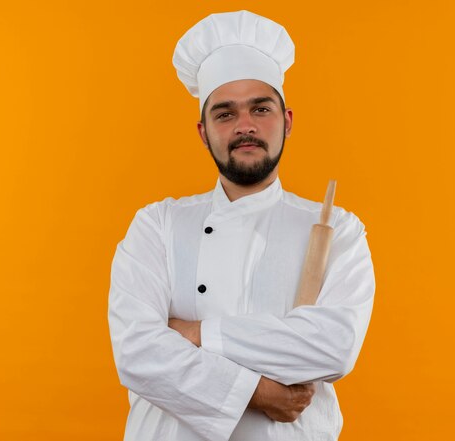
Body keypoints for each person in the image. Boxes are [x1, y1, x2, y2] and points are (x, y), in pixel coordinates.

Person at [108, 10, 375, 441]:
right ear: (203, 131)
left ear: (286, 121)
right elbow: (138, 353)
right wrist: (255, 390)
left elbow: (334, 347)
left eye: (261, 109)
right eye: (225, 114)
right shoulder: (156, 225)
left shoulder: (338, 229)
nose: (245, 126)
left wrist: (193, 334)